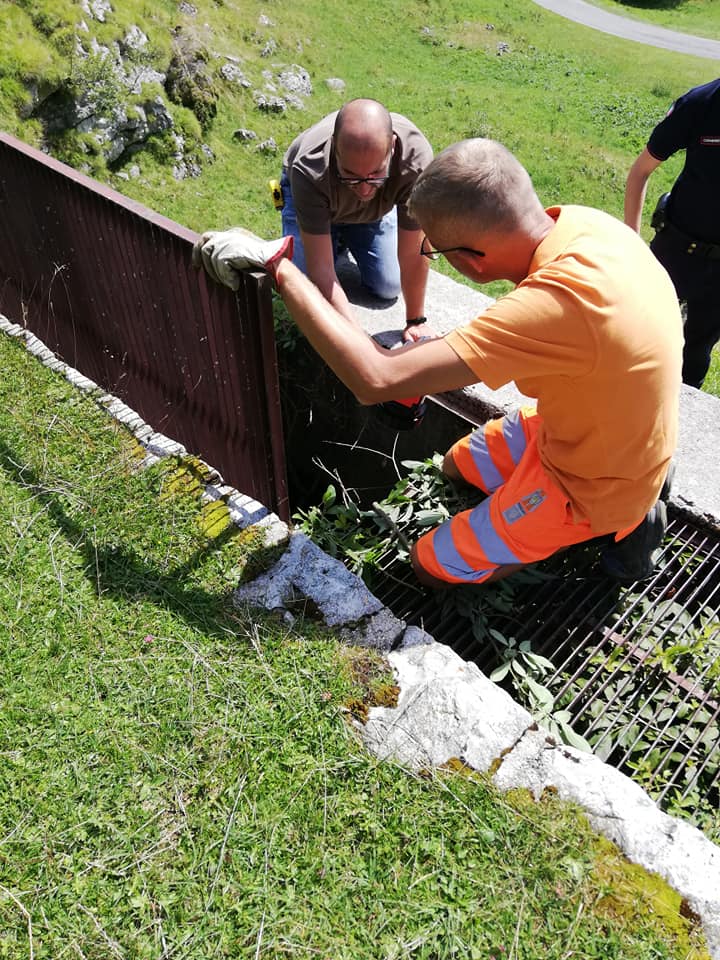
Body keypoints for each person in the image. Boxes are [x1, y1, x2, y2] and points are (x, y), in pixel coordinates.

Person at [195, 138, 682, 585]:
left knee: (430, 563)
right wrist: (423, 359)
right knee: (455, 466)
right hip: (589, 424)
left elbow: (373, 380)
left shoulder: (556, 307)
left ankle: (616, 524)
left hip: (595, 480)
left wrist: (280, 265)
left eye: (435, 250)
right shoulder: (582, 225)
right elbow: (538, 332)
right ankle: (554, 511)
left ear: (472, 259)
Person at [279, 98, 433, 342]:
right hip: (314, 201)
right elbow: (322, 270)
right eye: (350, 175)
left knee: (388, 286)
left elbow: (415, 251)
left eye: (375, 175)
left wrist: (415, 321)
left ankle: (343, 236)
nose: (363, 191)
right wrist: (360, 341)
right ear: (334, 148)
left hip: (372, 213)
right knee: (305, 290)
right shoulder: (309, 168)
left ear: (392, 147)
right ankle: (332, 235)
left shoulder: (415, 162)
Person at [625, 78, 720, 389]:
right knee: (634, 335)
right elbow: (641, 170)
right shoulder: (700, 104)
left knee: (695, 356)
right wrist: (631, 243)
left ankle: (676, 430)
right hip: (675, 249)